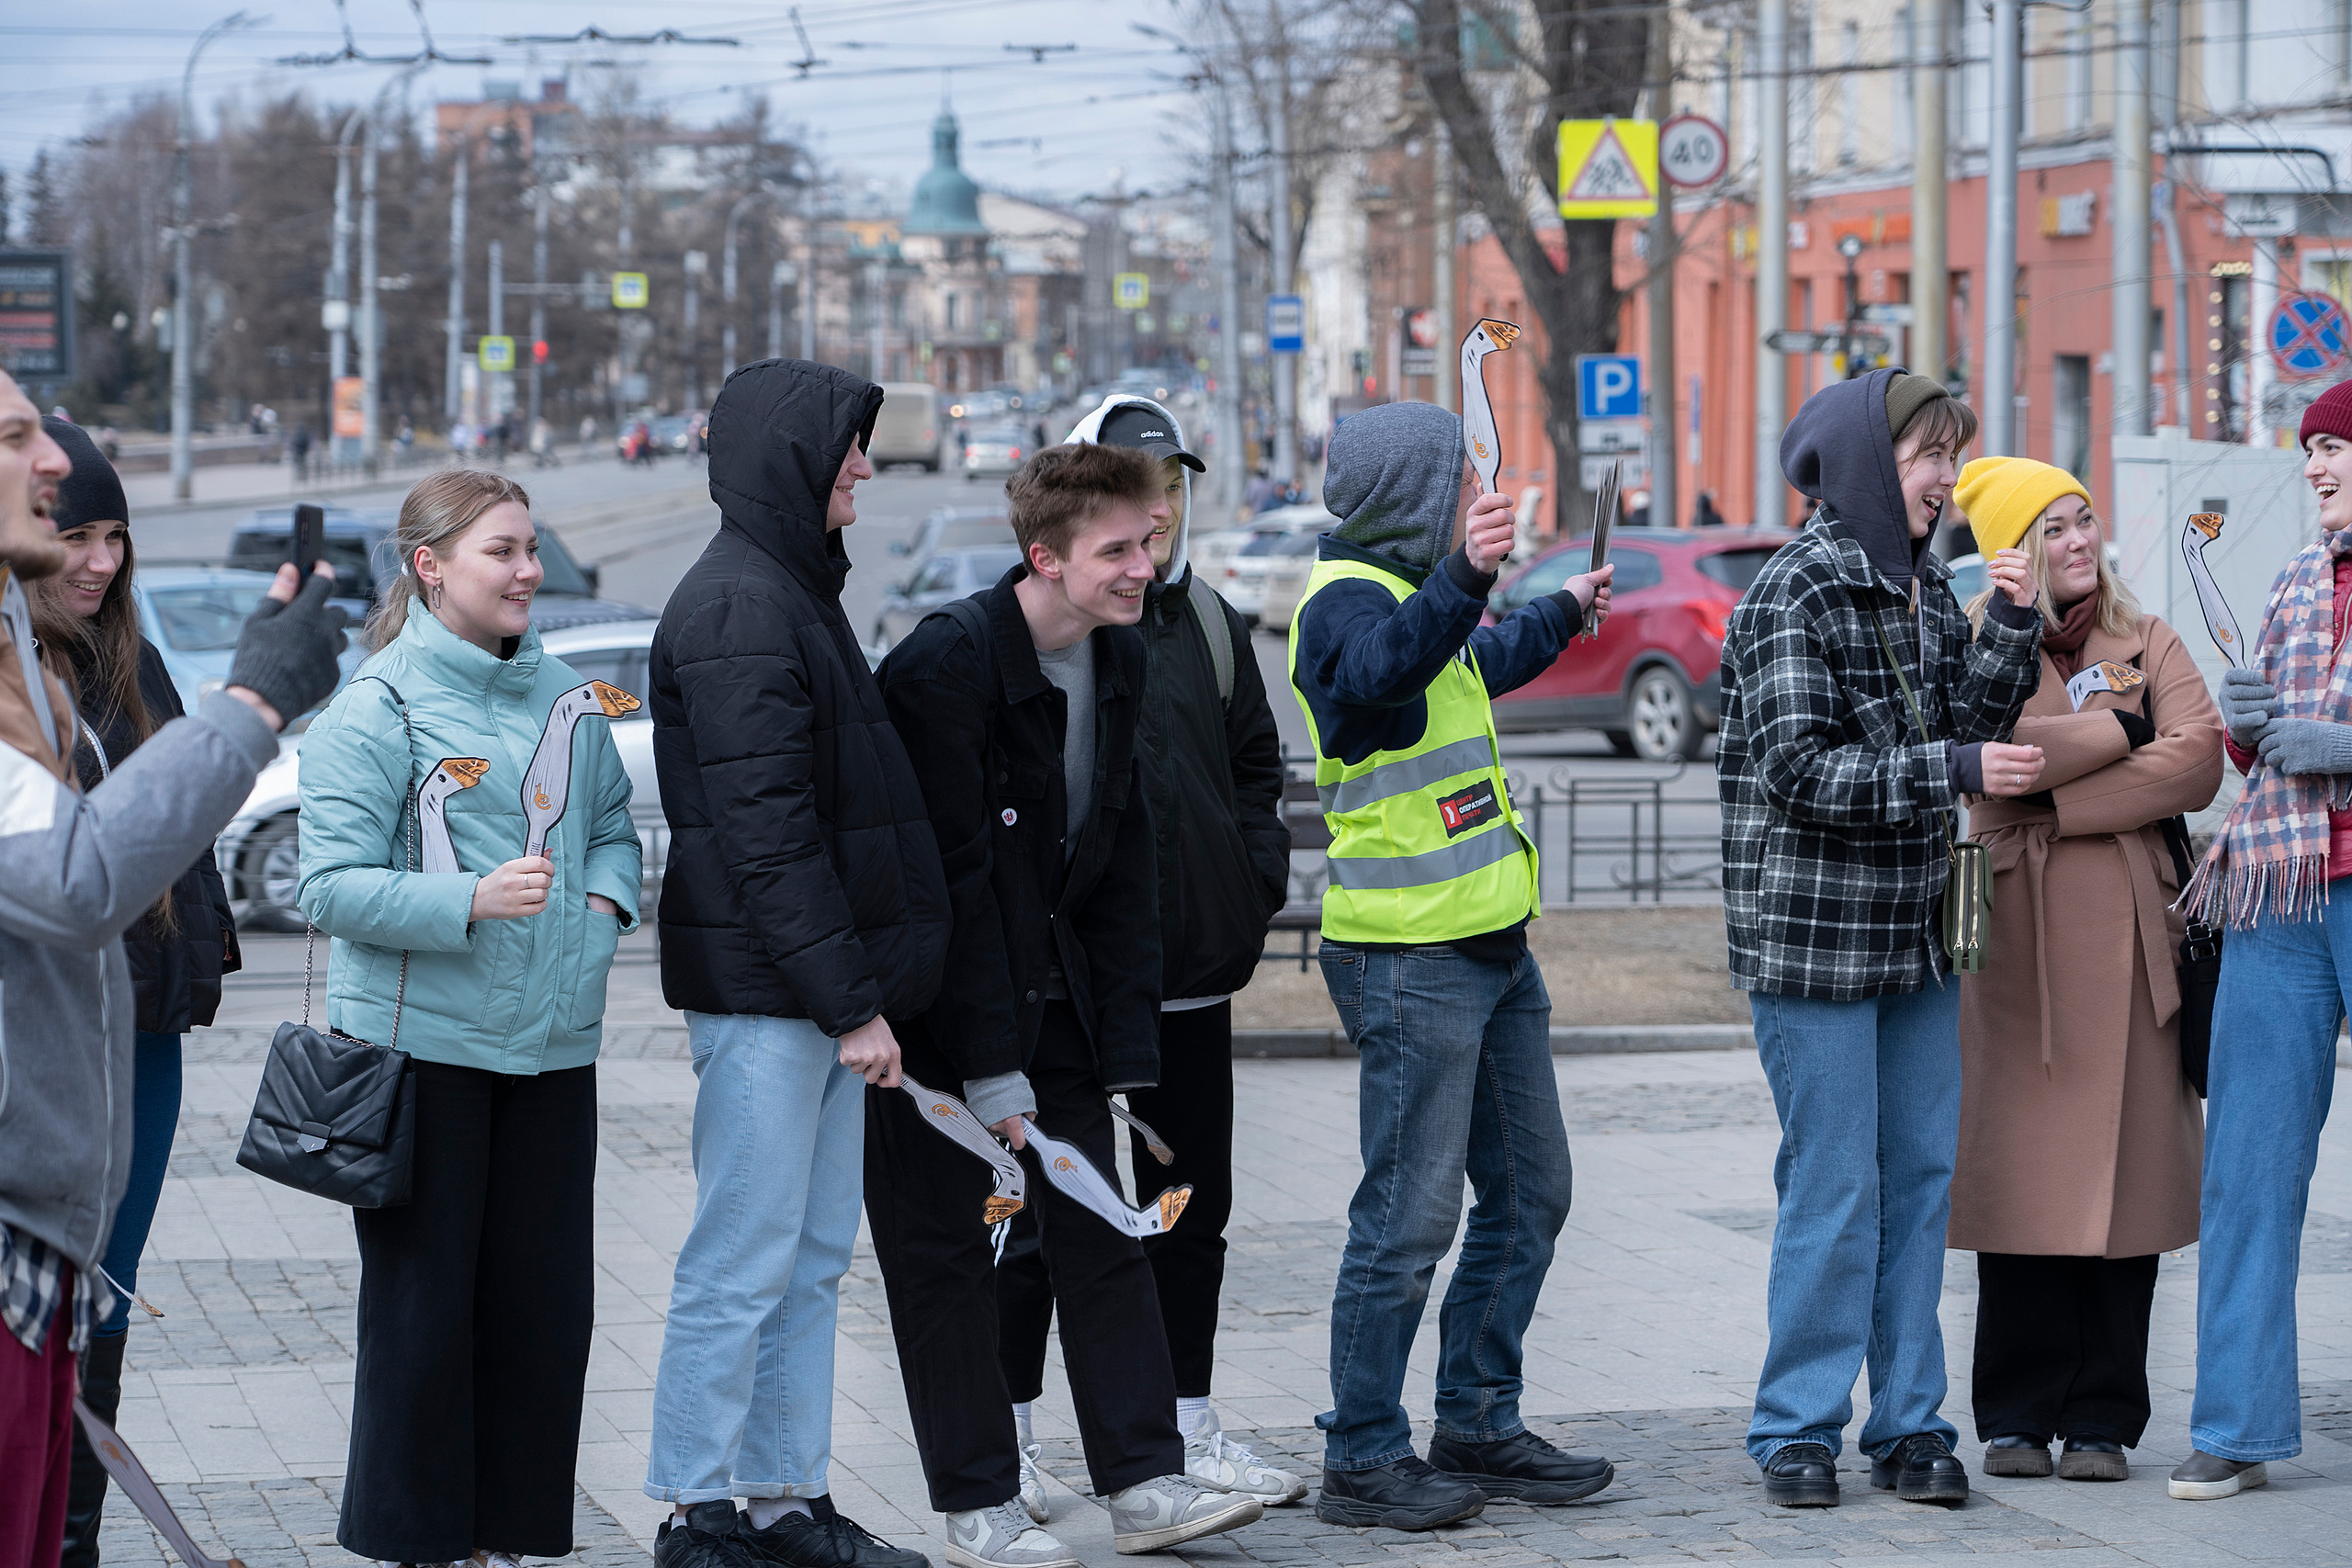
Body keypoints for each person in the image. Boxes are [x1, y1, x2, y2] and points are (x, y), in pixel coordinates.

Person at [872, 442, 1266, 1568]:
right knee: (953, 1253)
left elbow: (1119, 859)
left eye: (1150, 541)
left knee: (1104, 1228)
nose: (1147, 564)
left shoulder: (1120, 652)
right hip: (938, 1014)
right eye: (1119, 548)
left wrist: (1122, 1049)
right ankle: (977, 1500)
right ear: (1043, 559)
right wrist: (990, 1068)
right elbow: (950, 891)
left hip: (1060, 1003)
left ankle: (1144, 1483)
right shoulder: (946, 668)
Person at [0, 368, 345, 1568]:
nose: (48, 462)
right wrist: (256, 696)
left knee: (86, 1339)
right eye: (19, 442)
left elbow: (153, 868)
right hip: (21, 1162)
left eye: (110, 531)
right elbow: (83, 871)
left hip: (102, 1076)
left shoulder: (95, 666)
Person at [297, 469, 642, 1565]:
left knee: (542, 1321)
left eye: (532, 548)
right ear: (429, 567)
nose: (529, 571)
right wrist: (469, 901)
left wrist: (598, 912)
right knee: (422, 1326)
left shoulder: (571, 700)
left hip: (551, 1053)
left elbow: (621, 835)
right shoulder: (378, 706)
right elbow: (327, 888)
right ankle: (416, 1544)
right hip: (420, 1058)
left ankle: (504, 1539)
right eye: (503, 551)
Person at [1717, 368, 2044, 1510]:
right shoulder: (1788, 596)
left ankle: (1910, 1425)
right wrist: (1951, 770)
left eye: (1952, 457)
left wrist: (2006, 623)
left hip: (1913, 938)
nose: (1948, 480)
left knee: (1917, 1181)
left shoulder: (1915, 587)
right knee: (1834, 1188)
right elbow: (1802, 772)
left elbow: (1967, 723)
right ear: (1866, 463)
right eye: (1927, 458)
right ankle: (1795, 1427)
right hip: (1811, 944)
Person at [1286, 400, 1615, 1530]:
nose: (1476, 489)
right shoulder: (1344, 601)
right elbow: (1378, 681)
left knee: (1531, 1197)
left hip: (1488, 945)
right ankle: (1363, 1456)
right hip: (1406, 957)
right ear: (1417, 494)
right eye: (1460, 476)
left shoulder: (1418, 597)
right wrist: (1467, 580)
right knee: (1407, 1217)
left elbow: (1469, 660)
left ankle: (1475, 1421)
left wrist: (1561, 609)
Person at [640, 360, 948, 1567]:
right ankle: (692, 1504)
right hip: (777, 1002)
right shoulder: (737, 608)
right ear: (788, 459)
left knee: (809, 1261)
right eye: (846, 448)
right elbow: (769, 842)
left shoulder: (790, 590)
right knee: (742, 1257)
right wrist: (852, 1002)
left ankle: (782, 1495)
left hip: (814, 998)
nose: (864, 466)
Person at [988, 396, 1296, 1517]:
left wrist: (1247, 882)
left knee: (1185, 1209)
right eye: (1136, 488)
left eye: (1170, 485)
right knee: (1031, 1210)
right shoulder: (1042, 627)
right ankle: (1008, 1435)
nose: (1158, 509)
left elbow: (1256, 765)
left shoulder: (1209, 620)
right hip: (1062, 986)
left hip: (1187, 973)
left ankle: (1185, 1427)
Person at [1942, 457, 2222, 1486]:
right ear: (2009, 549)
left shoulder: (2146, 637)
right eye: (2051, 527)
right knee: (2019, 1178)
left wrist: (2054, 788)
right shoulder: (1978, 642)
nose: (2076, 541)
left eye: (2084, 520)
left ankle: (2103, 1417)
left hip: (2134, 941)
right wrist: (2118, 732)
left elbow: (2199, 758)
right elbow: (1979, 743)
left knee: (2128, 1185)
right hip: (2015, 943)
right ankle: (2014, 1413)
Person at [29, 420, 244, 1566]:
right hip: (47, 1051)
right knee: (45, 1297)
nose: (101, 560)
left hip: (142, 1044)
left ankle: (76, 1540)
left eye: (116, 536)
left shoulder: (130, 664)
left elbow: (183, 846)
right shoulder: (14, 680)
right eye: (76, 534)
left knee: (107, 1295)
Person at [2172, 376, 2352, 1501]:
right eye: (2312, 452)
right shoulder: (2294, 576)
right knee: (2246, 1166)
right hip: (2280, 893)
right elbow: (2266, 756)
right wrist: (2247, 733)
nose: (2316, 467)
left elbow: (2325, 739)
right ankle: (2234, 1423)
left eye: (2334, 448)